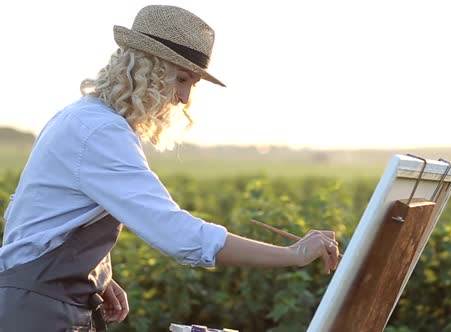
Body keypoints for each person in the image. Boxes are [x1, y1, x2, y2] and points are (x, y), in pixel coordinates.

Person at [0, 5, 340, 331]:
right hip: (38, 311)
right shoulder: (100, 132)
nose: (183, 98)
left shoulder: (83, 118)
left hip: (41, 301)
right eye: (182, 79)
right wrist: (292, 254)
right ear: (148, 68)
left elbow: (44, 218)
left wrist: (99, 275)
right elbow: (178, 235)